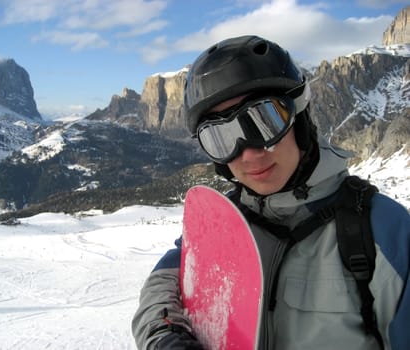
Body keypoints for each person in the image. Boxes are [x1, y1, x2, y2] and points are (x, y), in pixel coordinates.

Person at [132, 35, 410, 349]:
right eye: (221, 139)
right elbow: (166, 279)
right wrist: (165, 334)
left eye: (264, 121)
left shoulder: (382, 231)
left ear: (301, 118)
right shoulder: (222, 222)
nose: (249, 154)